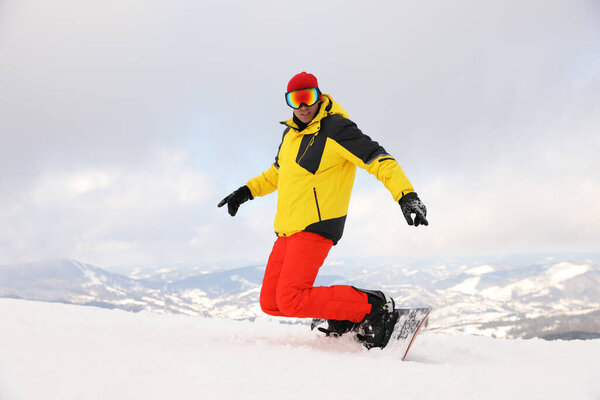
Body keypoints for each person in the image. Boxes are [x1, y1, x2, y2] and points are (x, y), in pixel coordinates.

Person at [218, 72, 428, 349]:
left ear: (319, 96)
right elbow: (277, 174)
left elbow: (379, 159)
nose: (303, 105)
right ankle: (345, 316)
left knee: (292, 300)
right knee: (271, 303)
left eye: (309, 97)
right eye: (296, 99)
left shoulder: (337, 129)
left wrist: (406, 195)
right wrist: (247, 191)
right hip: (287, 229)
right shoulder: (290, 135)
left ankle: (374, 307)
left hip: (317, 225)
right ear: (289, 102)